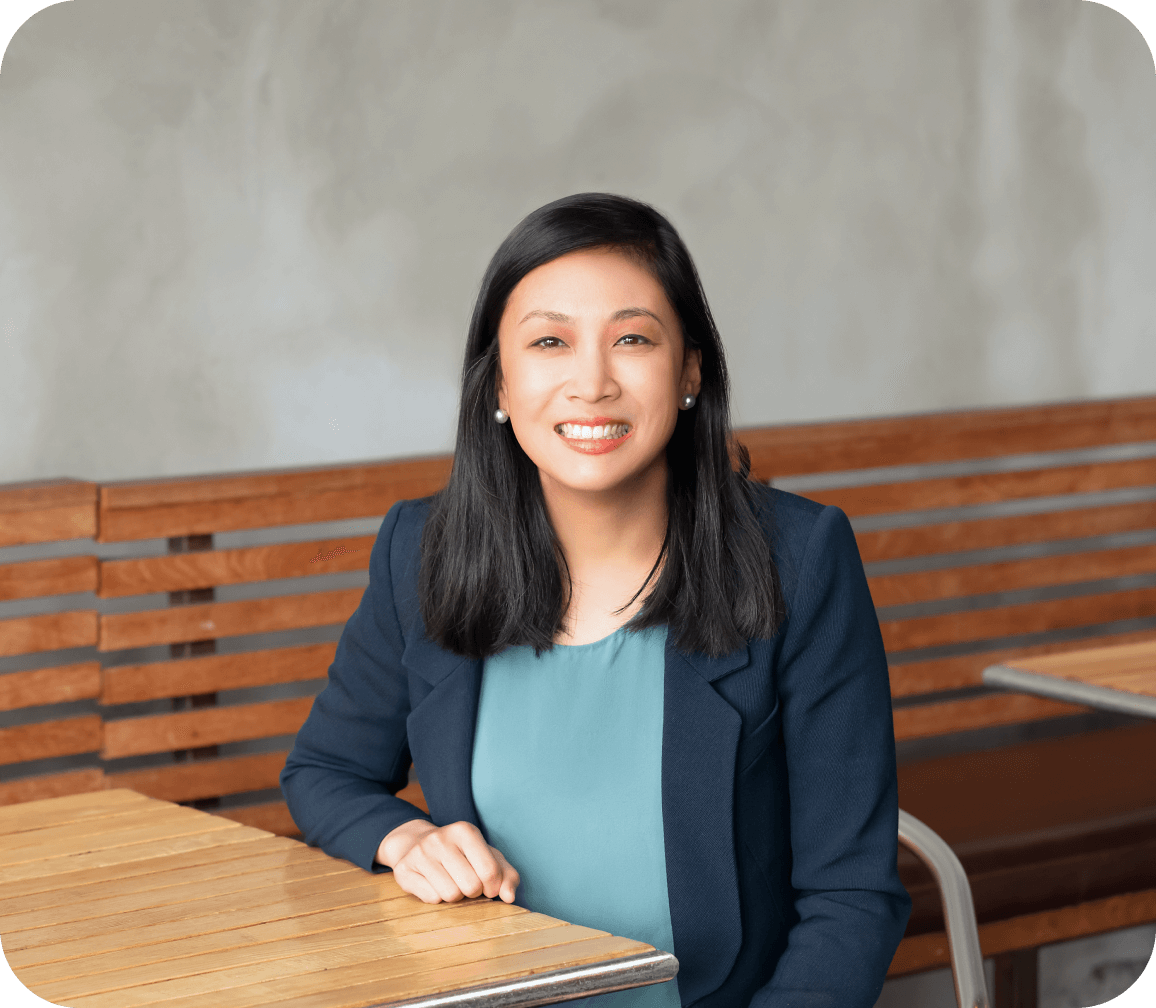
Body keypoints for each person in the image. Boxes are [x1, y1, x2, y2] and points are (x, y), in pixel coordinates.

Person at [280, 192, 911, 1007]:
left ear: (688, 372)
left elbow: (852, 897)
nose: (591, 382)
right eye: (549, 341)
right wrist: (404, 839)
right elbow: (325, 770)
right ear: (499, 384)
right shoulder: (423, 550)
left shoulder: (799, 558)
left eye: (633, 339)